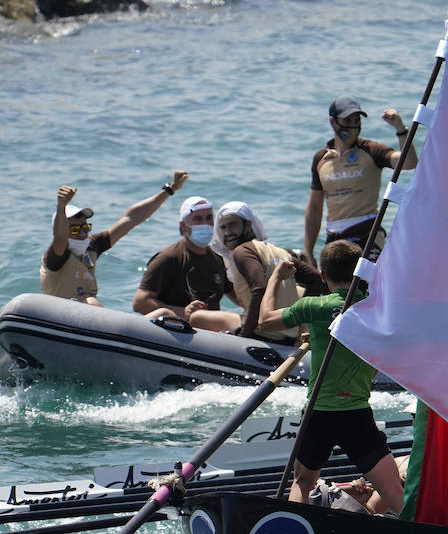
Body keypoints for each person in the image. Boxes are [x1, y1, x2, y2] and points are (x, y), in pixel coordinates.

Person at [255, 240, 404, 515]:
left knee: (302, 482)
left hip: (317, 414)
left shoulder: (313, 307)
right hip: (356, 415)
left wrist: (275, 278)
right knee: (394, 491)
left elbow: (264, 321)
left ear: (323, 276)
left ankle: (293, 532)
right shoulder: (377, 309)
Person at [41, 171, 189, 306]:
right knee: (91, 303)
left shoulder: (91, 247)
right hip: (58, 316)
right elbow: (60, 238)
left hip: (85, 316)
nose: (82, 233)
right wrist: (61, 206)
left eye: (85, 227)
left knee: (92, 302)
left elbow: (131, 218)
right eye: (74, 229)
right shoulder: (56, 256)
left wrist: (170, 189)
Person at [303, 95, 418, 265]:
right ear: (333, 122)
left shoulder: (371, 150)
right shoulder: (321, 158)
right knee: (333, 290)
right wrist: (308, 251)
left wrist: (400, 128)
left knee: (364, 288)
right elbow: (314, 208)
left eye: (356, 120)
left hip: (368, 236)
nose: (353, 126)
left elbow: (409, 163)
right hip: (334, 242)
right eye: (347, 120)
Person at [202, 201, 326, 339]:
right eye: (223, 228)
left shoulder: (242, 251)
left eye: (232, 225)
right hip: (290, 335)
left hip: (264, 335)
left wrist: (245, 335)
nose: (227, 232)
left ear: (248, 225)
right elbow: (316, 279)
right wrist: (302, 323)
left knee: (197, 318)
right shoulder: (278, 251)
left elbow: (260, 288)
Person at [133, 196, 239, 325]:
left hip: (211, 336)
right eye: (198, 219)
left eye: (209, 218)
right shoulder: (169, 257)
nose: (205, 224)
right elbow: (140, 302)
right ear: (183, 226)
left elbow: (238, 296)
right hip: (178, 331)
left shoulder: (218, 259)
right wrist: (183, 312)